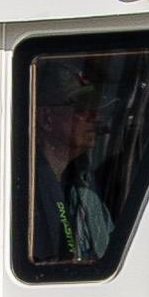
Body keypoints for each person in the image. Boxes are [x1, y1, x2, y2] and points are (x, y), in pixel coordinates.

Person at [34, 75, 120, 267]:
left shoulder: (83, 183)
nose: (95, 117)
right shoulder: (25, 188)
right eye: (82, 109)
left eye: (95, 109)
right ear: (46, 118)